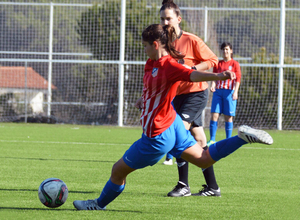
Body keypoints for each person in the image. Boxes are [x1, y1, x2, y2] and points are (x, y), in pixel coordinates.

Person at [73, 24, 273, 211]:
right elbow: (153, 88)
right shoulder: (151, 62)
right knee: (203, 160)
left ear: (155, 44)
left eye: (145, 46)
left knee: (118, 170)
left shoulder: (169, 65)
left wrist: (219, 77)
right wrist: (144, 100)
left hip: (157, 135)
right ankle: (242, 137)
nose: (144, 50)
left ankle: (98, 204)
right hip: (173, 124)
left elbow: (192, 75)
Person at [159, 0, 220, 197]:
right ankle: (213, 187)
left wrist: (192, 69)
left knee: (178, 132)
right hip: (178, 96)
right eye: (162, 19)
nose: (165, 22)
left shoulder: (191, 40)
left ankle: (183, 185)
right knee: (200, 139)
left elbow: (212, 60)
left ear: (178, 19)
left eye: (168, 18)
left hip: (196, 93)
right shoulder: (164, 44)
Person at [207, 42, 241, 147]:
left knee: (228, 117)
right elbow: (215, 76)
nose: (225, 51)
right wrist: (213, 85)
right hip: (218, 92)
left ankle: (228, 140)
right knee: (214, 115)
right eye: (223, 49)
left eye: (227, 49)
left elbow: (238, 79)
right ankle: (212, 139)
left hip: (229, 93)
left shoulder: (235, 64)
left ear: (231, 51)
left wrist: (235, 92)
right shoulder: (218, 63)